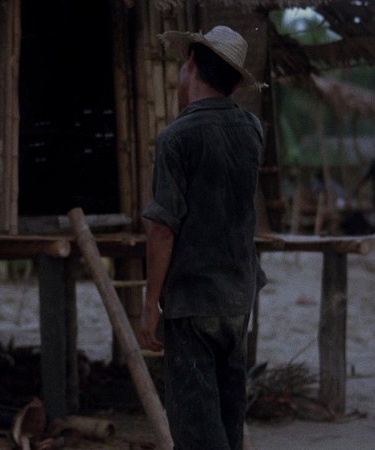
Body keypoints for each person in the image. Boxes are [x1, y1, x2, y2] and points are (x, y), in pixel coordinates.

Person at [139, 25, 265, 450]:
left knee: (195, 426)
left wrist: (150, 304)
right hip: (238, 296)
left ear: (190, 64)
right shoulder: (252, 130)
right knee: (229, 415)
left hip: (193, 299)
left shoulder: (176, 137)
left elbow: (162, 228)